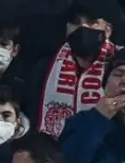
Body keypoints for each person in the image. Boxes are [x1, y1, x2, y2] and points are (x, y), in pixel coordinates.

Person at [29, 2, 118, 139]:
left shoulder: (120, 63)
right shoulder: (45, 66)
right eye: (75, 23)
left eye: (92, 22)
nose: (82, 28)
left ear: (107, 30)